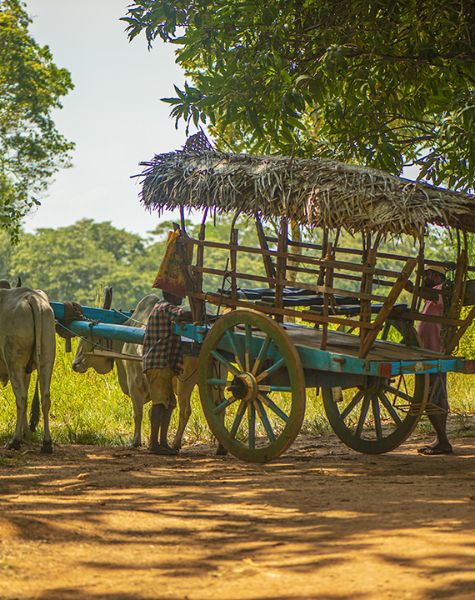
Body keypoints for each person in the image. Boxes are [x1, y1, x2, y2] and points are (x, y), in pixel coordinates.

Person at [142, 290, 192, 455]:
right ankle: (154, 443)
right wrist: (201, 313)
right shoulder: (164, 307)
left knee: (169, 404)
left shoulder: (161, 308)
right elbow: (182, 313)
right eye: (179, 294)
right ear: (171, 295)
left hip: (164, 364)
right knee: (159, 403)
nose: (182, 296)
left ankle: (162, 442)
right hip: (158, 362)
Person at [413, 265, 453, 455]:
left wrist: (409, 288)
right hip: (430, 351)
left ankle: (443, 442)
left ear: (438, 276)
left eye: (428, 274)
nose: (426, 276)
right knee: (436, 396)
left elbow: (429, 295)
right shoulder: (434, 292)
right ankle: (441, 440)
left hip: (434, 351)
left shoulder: (441, 291)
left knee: (431, 398)